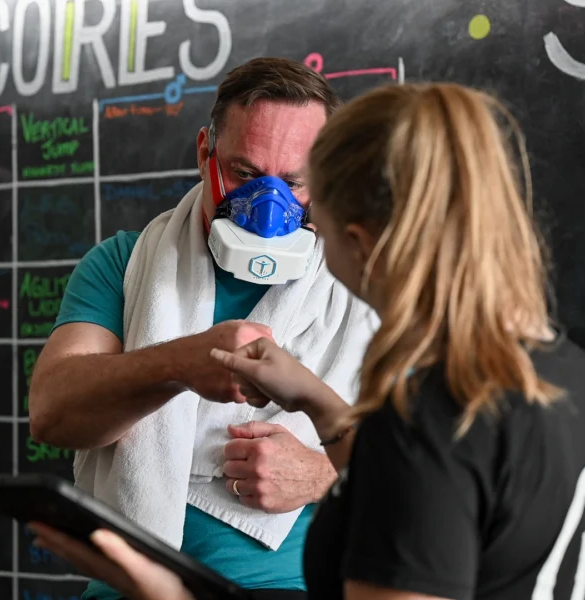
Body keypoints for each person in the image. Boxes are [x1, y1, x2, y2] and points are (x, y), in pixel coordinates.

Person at [29, 81, 585, 600]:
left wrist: (164, 594)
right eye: (245, 172)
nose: (283, 223)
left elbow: (424, 476)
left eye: (305, 197)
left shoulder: (430, 419)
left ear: (358, 242)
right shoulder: (577, 380)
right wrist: (320, 406)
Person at [28, 57, 378, 600]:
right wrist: (177, 364)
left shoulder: (362, 285)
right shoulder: (123, 264)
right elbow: (52, 413)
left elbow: (440, 471)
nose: (268, 208)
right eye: (243, 174)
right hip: (125, 585)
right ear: (204, 154)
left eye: (294, 183)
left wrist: (321, 476)